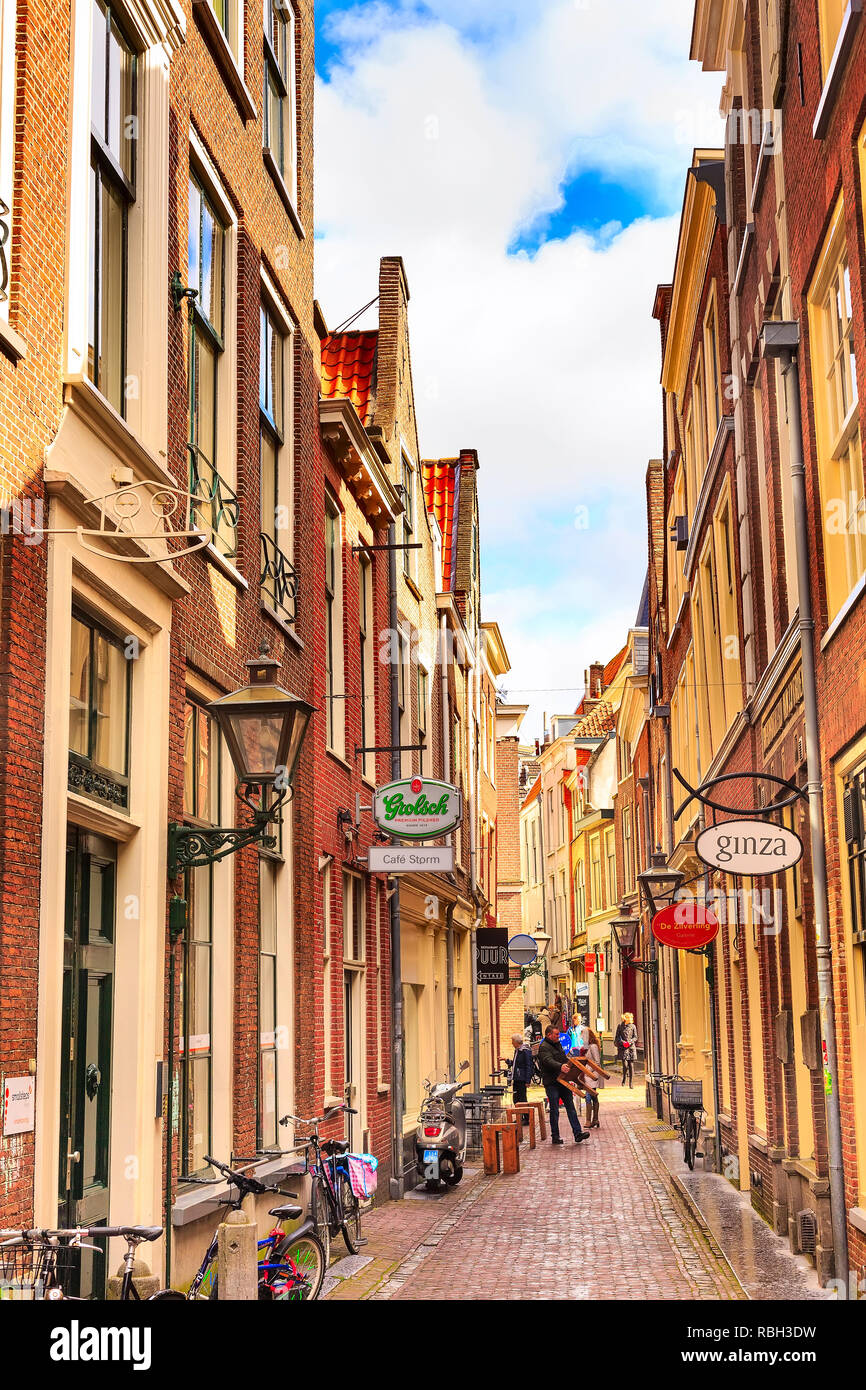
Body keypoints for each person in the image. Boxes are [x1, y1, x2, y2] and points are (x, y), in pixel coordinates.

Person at [537, 1025, 590, 1145]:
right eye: (556, 1034)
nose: (558, 1037)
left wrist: (571, 1063)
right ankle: (555, 1136)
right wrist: (560, 1066)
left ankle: (578, 1133)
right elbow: (547, 1060)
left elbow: (562, 1058)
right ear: (549, 1035)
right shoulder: (544, 1047)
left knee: (571, 1107)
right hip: (552, 1082)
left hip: (563, 1081)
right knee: (554, 1109)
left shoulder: (558, 1044)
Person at [581, 1028, 604, 1128]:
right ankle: (595, 1119)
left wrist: (589, 1071)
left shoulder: (593, 1046)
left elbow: (597, 1062)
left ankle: (588, 1121)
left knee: (588, 1097)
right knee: (593, 1096)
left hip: (592, 1075)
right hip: (587, 1075)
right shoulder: (587, 1047)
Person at [510, 1032, 533, 1125]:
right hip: (517, 1078)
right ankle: (520, 1117)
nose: (512, 1043)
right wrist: (507, 1061)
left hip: (522, 1078)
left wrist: (528, 1080)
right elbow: (516, 1063)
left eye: (512, 1041)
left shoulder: (524, 1051)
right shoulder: (517, 1050)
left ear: (516, 1042)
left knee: (522, 1099)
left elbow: (528, 1065)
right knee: (516, 1098)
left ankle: (527, 1118)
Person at [615, 1013, 638, 1087]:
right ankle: (624, 1077)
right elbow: (617, 1037)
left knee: (631, 1065)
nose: (630, 1019)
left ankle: (631, 1083)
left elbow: (635, 1037)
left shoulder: (633, 1026)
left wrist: (630, 1042)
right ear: (625, 1018)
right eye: (629, 1018)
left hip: (631, 1047)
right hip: (623, 1048)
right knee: (625, 1065)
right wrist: (622, 1042)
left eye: (631, 1018)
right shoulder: (620, 1026)